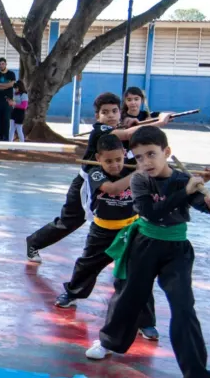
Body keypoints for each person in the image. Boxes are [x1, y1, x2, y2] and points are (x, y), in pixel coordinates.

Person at [86, 126, 210, 378]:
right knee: (128, 297)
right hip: (144, 245)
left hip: (177, 249)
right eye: (138, 157)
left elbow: (198, 202)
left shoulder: (182, 179)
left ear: (167, 153)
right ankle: (108, 342)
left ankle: (195, 375)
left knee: (184, 307)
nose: (145, 162)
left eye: (151, 154)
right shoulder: (140, 181)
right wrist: (185, 192)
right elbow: (152, 211)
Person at [25, 92, 171, 263]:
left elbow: (130, 134)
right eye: (105, 112)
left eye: (114, 111)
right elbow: (127, 134)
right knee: (70, 221)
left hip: (114, 181)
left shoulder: (118, 129)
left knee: (129, 218)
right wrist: (159, 122)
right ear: (97, 116)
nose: (110, 115)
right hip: (89, 184)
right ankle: (34, 242)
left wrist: (134, 124)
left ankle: (124, 257)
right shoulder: (99, 131)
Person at [53, 134, 159, 339]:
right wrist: (138, 173)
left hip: (131, 230)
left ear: (124, 156)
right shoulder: (95, 173)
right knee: (87, 265)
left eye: (118, 160)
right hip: (102, 230)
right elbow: (112, 189)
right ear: (99, 159)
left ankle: (146, 322)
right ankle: (73, 293)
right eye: (108, 161)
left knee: (139, 275)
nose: (114, 165)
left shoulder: (133, 168)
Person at [0, 57, 17, 141]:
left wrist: (0, 85)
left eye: (3, 64)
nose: (2, 65)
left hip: (7, 100)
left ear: (5, 64)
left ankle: (6, 137)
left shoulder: (11, 74)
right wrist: (6, 85)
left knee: (6, 119)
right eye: (0, 64)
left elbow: (11, 84)